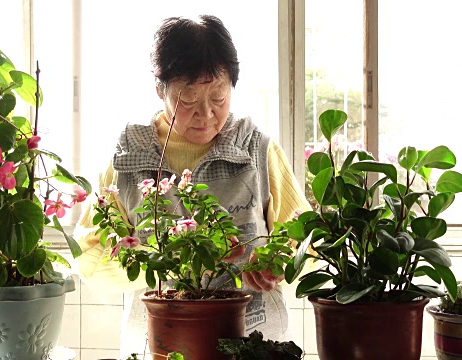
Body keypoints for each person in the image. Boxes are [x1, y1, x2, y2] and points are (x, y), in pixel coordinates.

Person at [73, 14, 311, 358]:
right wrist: (158, 262)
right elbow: (89, 257)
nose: (206, 114)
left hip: (252, 343)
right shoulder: (129, 156)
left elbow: (306, 237)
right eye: (187, 100)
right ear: (160, 90)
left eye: (218, 97)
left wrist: (278, 260)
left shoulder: (256, 149)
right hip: (162, 344)